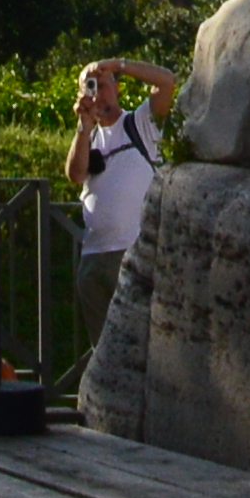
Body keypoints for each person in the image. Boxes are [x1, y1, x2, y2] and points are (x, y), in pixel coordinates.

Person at [62, 54, 180, 308]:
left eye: (102, 85)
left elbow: (167, 82)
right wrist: (83, 126)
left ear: (116, 87)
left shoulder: (138, 123)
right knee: (101, 346)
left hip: (133, 253)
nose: (98, 95)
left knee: (138, 340)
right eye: (90, 87)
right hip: (94, 256)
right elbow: (75, 174)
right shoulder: (88, 137)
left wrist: (120, 65)